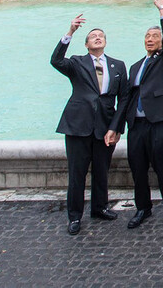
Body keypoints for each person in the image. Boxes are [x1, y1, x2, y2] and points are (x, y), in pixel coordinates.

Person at [50, 15, 129, 235]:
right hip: (77, 125)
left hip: (105, 126)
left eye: (100, 35)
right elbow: (56, 61)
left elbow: (123, 100)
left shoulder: (118, 66)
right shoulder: (76, 62)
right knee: (77, 173)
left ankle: (100, 207)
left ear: (105, 42)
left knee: (102, 170)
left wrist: (116, 128)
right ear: (86, 44)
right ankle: (74, 216)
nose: (97, 38)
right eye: (93, 36)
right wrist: (70, 32)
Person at [126, 0, 163, 229]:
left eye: (155, 36)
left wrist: (162, 11)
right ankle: (143, 208)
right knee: (137, 168)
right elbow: (128, 98)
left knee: (161, 164)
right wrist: (115, 127)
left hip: (158, 121)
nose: (151, 39)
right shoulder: (135, 66)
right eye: (147, 36)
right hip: (136, 124)